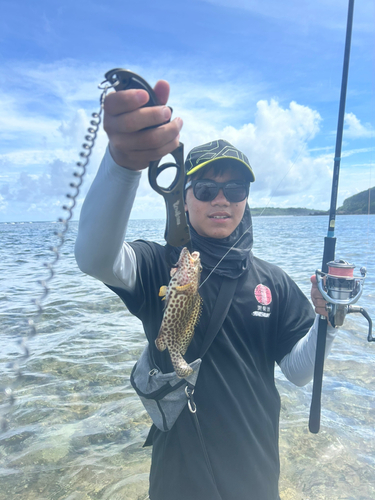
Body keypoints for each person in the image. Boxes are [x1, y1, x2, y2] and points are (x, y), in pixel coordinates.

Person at [75, 80, 336, 500]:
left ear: (246, 199)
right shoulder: (162, 265)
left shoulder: (273, 282)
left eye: (235, 189)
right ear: (184, 195)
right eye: (206, 188)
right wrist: (123, 164)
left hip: (257, 476)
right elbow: (94, 256)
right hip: (178, 481)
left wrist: (329, 320)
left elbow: (298, 372)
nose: (222, 199)